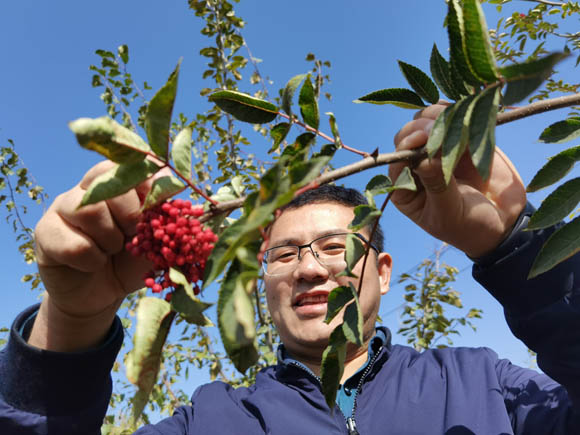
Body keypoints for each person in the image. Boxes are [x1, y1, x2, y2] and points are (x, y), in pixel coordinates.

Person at [1, 102, 579, 434]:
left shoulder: (483, 384)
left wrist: (514, 245)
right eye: (284, 253)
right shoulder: (211, 420)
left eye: (333, 247)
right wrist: (69, 329)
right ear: (260, 279)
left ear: (381, 271)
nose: (308, 269)